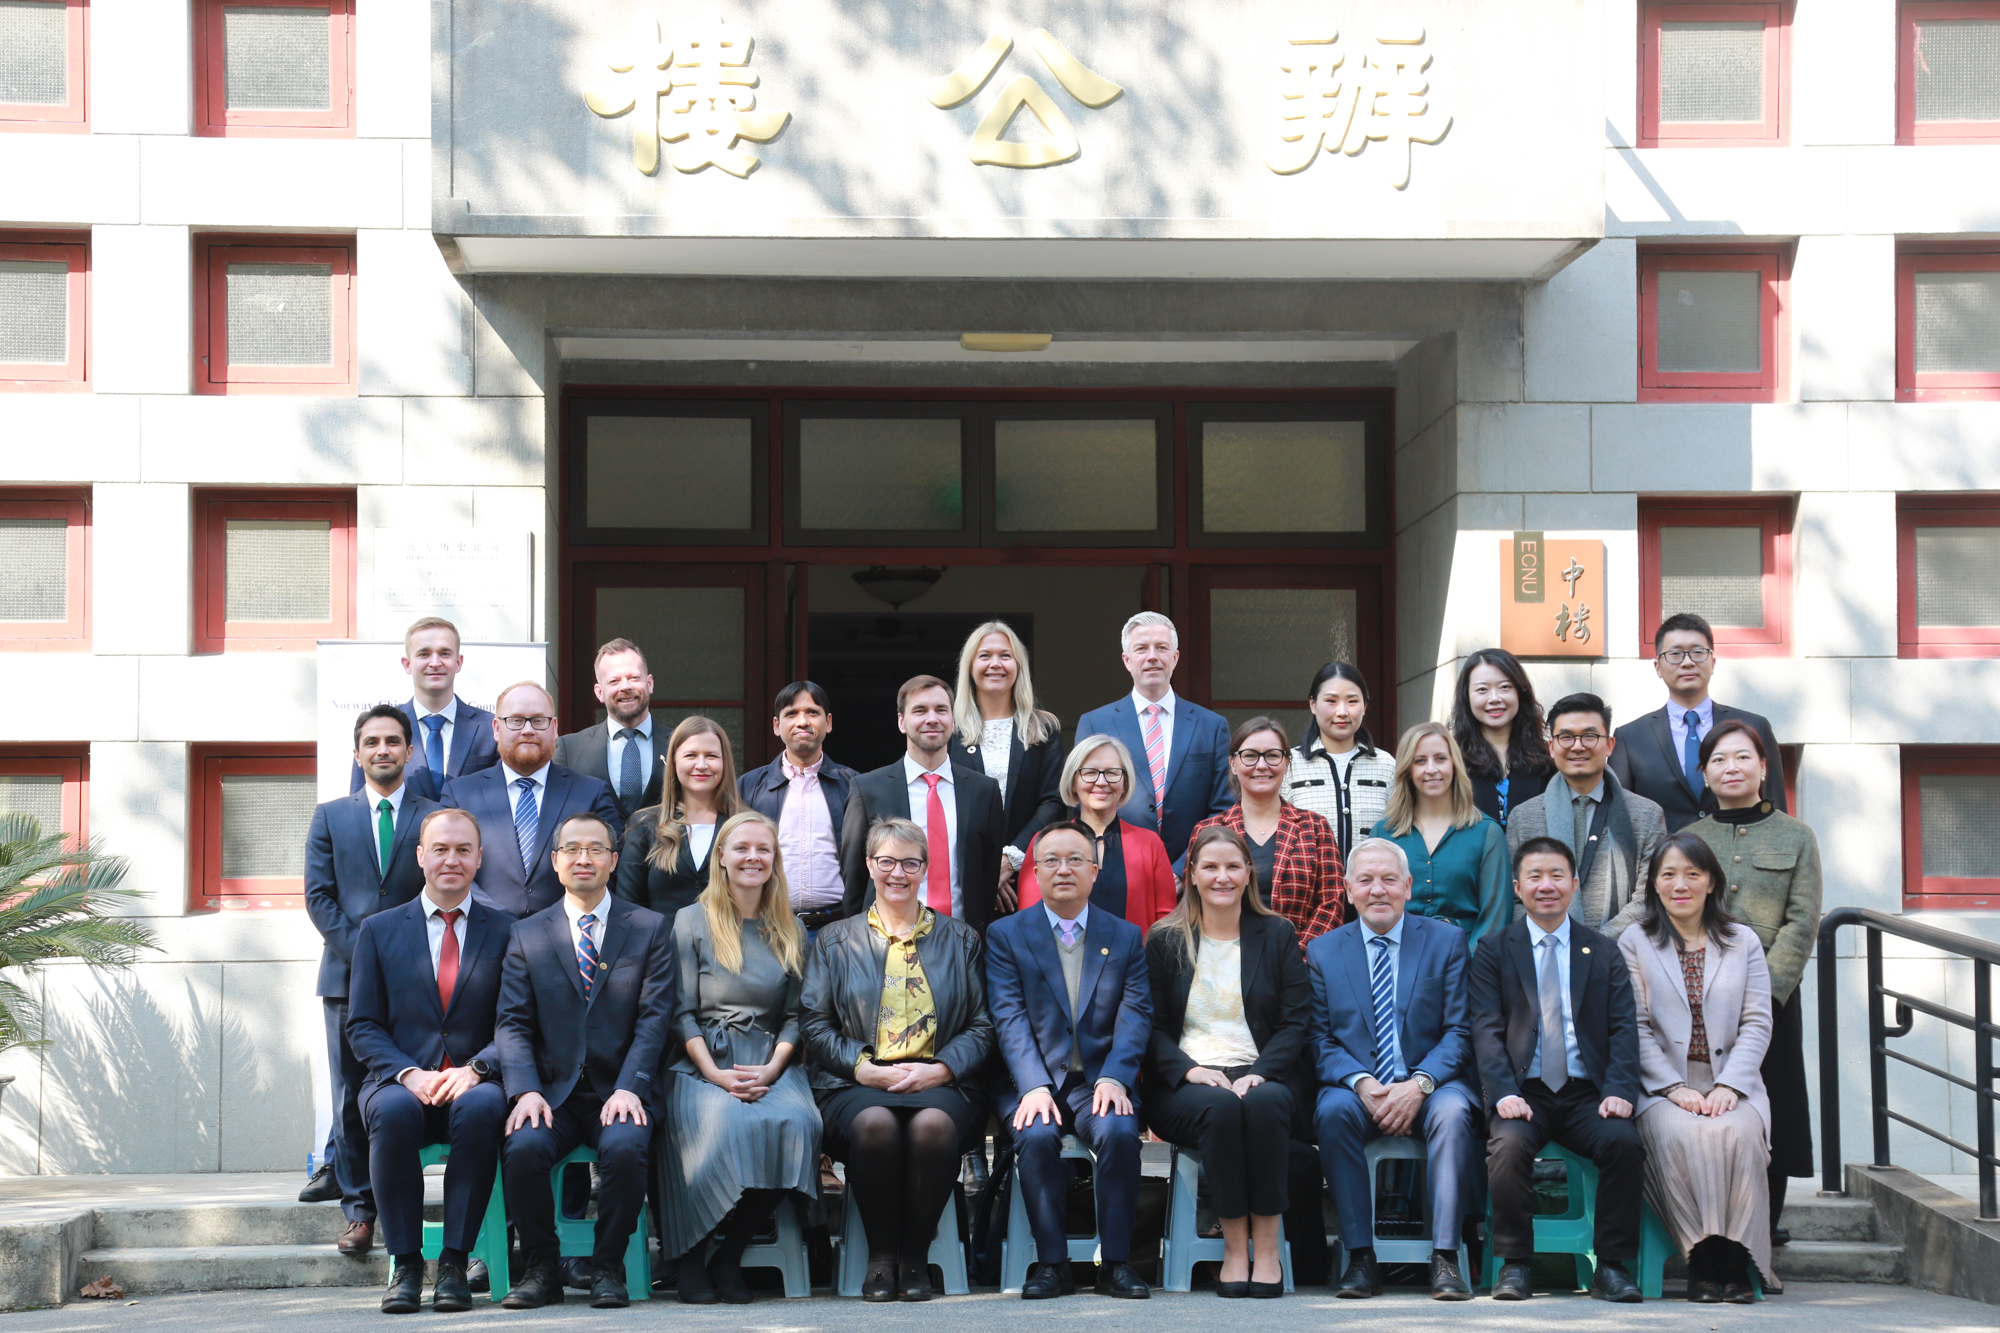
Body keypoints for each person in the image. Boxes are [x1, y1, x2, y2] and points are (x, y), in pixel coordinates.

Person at [801, 818, 995, 1302]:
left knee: (932, 1127)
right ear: (869, 865)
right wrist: (862, 1067)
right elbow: (814, 1023)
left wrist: (942, 1068)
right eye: (887, 862)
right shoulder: (834, 940)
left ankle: (914, 1258)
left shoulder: (961, 939)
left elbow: (983, 1025)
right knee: (876, 1126)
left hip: (942, 1083)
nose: (898, 874)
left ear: (925, 869)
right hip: (855, 1083)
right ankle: (881, 1257)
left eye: (910, 863)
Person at [495, 813, 676, 1310]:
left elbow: (655, 1019)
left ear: (613, 861)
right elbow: (512, 1023)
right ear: (555, 862)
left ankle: (607, 1267)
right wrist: (525, 1090)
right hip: (551, 1093)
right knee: (522, 1148)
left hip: (619, 1089)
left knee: (625, 1148)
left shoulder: (648, 928)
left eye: (596, 849)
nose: (584, 858)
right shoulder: (527, 934)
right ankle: (541, 1267)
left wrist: (631, 1086)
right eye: (572, 849)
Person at [344, 808, 511, 1314]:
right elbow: (362, 1024)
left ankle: (455, 1264)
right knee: (392, 1111)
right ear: (420, 856)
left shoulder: (509, 931)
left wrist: (477, 1069)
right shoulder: (378, 930)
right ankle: (407, 1264)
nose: (451, 860)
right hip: (400, 1079)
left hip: (474, 1080)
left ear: (479, 859)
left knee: (482, 1109)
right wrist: (408, 1072)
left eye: (463, 850)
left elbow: (518, 1022)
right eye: (440, 849)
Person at [1471, 837, 1646, 1303]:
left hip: (1587, 1093)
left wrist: (1619, 1089)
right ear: (1517, 887)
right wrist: (1502, 1092)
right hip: (1522, 1091)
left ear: (1574, 883)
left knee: (1624, 1143)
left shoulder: (1603, 951)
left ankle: (1612, 1266)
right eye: (1534, 876)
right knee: (1508, 1145)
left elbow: (1623, 1028)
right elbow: (1485, 1030)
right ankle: (1514, 1265)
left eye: (1556, 876)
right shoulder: (1494, 950)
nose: (1545, 886)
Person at [985, 820, 1153, 1300]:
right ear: (1035, 872)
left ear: (1094, 871)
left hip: (1098, 1079)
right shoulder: (1006, 934)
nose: (1064, 869)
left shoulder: (1124, 936)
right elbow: (1008, 1015)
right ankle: (1051, 1264)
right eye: (1052, 860)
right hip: (1031, 1081)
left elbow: (1136, 1015)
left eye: (1075, 860)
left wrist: (1116, 1077)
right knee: (1037, 1136)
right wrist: (1033, 1085)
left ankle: (1115, 1264)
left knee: (1119, 1131)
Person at [659, 811, 821, 1306]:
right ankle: (691, 1256)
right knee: (719, 1123)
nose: (753, 857)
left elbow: (796, 1015)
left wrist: (774, 1067)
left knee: (799, 1124)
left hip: (770, 1058)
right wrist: (713, 1073)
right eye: (742, 848)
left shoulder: (791, 927)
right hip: (702, 1058)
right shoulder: (691, 920)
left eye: (763, 849)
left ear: (775, 859)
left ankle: (730, 1255)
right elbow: (680, 1012)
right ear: (722, 858)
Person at [1144, 825, 1311, 1299]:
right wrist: (1190, 1070)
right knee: (1219, 1108)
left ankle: (1268, 1250)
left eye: (1233, 866)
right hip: (1186, 1081)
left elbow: (1296, 1021)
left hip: (1263, 1072)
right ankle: (1235, 1249)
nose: (1223, 877)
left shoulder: (1277, 933)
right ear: (1192, 875)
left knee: (1263, 1104)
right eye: (1211, 867)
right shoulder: (1165, 939)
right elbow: (1149, 1026)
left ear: (1248, 874)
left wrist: (1261, 1072)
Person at [1309, 838, 1478, 1302]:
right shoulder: (1324, 951)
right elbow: (1318, 1039)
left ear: (1408, 886)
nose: (1378, 890)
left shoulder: (1445, 941)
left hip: (1432, 1085)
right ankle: (1360, 1257)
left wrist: (1419, 1085)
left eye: (1388, 879)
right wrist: (1363, 1083)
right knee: (1332, 1112)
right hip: (1357, 1088)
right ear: (1348, 890)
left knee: (1454, 1113)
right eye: (1365, 880)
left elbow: (1460, 1030)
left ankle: (1445, 1256)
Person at [1678, 719, 1820, 1259]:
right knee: (1708, 1107)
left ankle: (1766, 1229)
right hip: (1698, 996)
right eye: (1718, 760)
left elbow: (1802, 921)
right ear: (1705, 774)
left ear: (1763, 767)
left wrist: (1767, 991)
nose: (1730, 768)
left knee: (1772, 1110)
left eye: (1742, 758)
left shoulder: (1796, 836)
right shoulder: (1691, 839)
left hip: (1771, 1000)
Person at [303, 704, 441, 1245]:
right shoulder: (330, 816)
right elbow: (319, 897)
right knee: (348, 1096)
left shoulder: (435, 815)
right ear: (357, 754)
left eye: (392, 741)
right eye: (372, 742)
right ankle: (360, 1212)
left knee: (416, 1090)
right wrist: (366, 955)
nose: (382, 750)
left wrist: (403, 958)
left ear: (410, 751)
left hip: (422, 979)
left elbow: (445, 886)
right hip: (345, 977)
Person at [1616, 833, 1774, 1304]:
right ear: (1654, 884)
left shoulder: (1743, 941)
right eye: (1668, 874)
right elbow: (1633, 1025)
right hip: (1663, 1086)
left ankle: (1737, 1262)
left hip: (1732, 1082)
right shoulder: (1635, 941)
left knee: (1738, 1135)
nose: (1680, 884)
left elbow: (1757, 1021)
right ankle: (1702, 1264)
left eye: (1692, 873)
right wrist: (1672, 1087)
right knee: (1682, 1135)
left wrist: (1730, 1085)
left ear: (1711, 882)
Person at [439, 681, 623, 919]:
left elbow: (610, 868)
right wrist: (495, 918)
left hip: (565, 932)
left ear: (554, 728)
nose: (527, 730)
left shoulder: (591, 793)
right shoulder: (460, 794)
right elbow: (446, 865)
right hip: (482, 928)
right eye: (516, 720)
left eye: (538, 720)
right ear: (496, 728)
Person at [838, 676, 1008, 932]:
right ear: (901, 721)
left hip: (964, 939)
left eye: (941, 710)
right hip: (886, 940)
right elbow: (854, 879)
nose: (932, 719)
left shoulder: (984, 791)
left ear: (953, 720)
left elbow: (987, 875)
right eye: (920, 710)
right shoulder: (867, 790)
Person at [1073, 612, 1232, 869]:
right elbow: (1083, 806)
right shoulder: (1095, 723)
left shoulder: (1211, 726)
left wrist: (1182, 870)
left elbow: (1223, 810)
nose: (1152, 656)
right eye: (1141, 648)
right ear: (1127, 660)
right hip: (1116, 869)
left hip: (1191, 872)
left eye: (1161, 647)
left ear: (1175, 658)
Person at [1611, 614, 1787, 834]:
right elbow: (1619, 819)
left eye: (1697, 652)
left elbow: (1776, 811)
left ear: (1713, 662)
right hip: (1662, 855)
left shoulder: (1754, 727)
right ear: (1657, 667)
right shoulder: (1630, 738)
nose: (1687, 662)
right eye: (1675, 654)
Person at [1505, 694, 1666, 931]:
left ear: (1609, 745)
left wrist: (1598, 945)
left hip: (1620, 949)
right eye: (1566, 737)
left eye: (1590, 736)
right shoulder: (1523, 817)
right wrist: (1553, 940)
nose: (1578, 746)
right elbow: (1515, 896)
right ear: (1552, 747)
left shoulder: (1646, 815)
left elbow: (1649, 896)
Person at [1188, 717, 1346, 947]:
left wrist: (1295, 957)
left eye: (1272, 755)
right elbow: (1192, 903)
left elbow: (1332, 903)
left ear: (1286, 762)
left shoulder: (1315, 828)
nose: (1261, 765)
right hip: (1224, 958)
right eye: (1250, 756)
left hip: (1300, 960)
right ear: (1233, 763)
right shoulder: (1207, 831)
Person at [951, 620, 1065, 899]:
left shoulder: (1043, 729)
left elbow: (1053, 803)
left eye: (1005, 655)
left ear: (1018, 666)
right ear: (970, 666)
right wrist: (984, 868)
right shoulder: (949, 730)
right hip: (961, 875)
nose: (995, 664)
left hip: (1027, 875)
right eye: (985, 656)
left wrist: (1009, 859)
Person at [1015, 735, 1177, 929]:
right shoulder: (1045, 842)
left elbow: (1166, 923)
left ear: (1125, 782)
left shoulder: (1149, 844)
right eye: (1090, 772)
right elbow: (1029, 920)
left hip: (1135, 950)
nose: (1101, 781)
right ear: (1073, 782)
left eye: (1112, 772)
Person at [1377, 722, 1511, 953]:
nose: (1431, 769)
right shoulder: (1384, 833)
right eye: (1420, 761)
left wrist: (1466, 964)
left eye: (1440, 759)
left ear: (1454, 765)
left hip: (1469, 960)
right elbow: (1374, 907)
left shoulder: (1487, 833)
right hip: (1399, 958)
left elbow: (1496, 916)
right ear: (1407, 770)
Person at [739, 681, 859, 933]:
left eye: (812, 713)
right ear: (776, 725)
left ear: (828, 722)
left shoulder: (855, 786)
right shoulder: (748, 787)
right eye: (791, 714)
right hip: (768, 926)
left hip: (840, 927)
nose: (802, 722)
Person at [349, 617, 499, 800]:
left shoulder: (490, 728)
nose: (435, 663)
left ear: (458, 662)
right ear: (407, 664)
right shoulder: (379, 728)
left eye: (445, 653)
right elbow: (358, 805)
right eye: (424, 654)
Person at [615, 716, 743, 924]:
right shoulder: (644, 825)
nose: (701, 765)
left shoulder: (744, 824)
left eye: (711, 756)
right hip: (661, 944)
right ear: (673, 761)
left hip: (732, 943)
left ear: (725, 762)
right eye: (691, 755)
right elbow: (629, 907)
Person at [1282, 661, 1396, 860]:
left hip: (1372, 877)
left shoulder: (1386, 765)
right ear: (1312, 704)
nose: (1342, 712)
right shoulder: (1289, 765)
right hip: (1310, 878)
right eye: (1331, 701)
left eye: (1352, 701)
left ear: (1365, 706)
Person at [554, 639, 666, 825]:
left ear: (650, 683)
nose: (625, 687)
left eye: (634, 678)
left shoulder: (680, 744)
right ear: (599, 692)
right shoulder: (569, 749)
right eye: (614, 681)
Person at [1447, 649, 1554, 830]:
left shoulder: (1547, 760)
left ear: (1520, 692)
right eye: (1482, 690)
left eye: (1505, 687)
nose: (1494, 698)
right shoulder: (1451, 761)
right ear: (1467, 697)